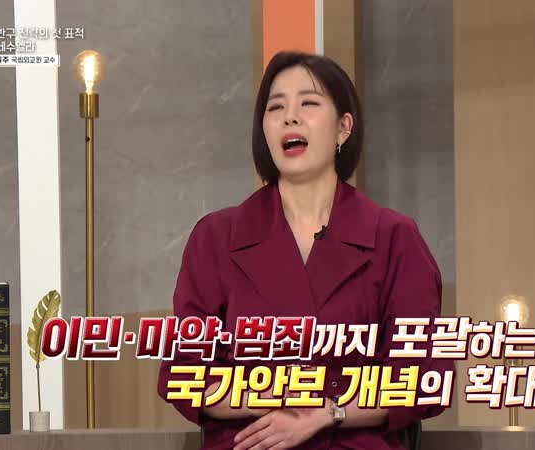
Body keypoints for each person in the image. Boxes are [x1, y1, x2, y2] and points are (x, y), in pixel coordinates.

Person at [157, 50, 451, 449]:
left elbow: (423, 377)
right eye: (276, 107)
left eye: (308, 103)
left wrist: (327, 412)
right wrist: (275, 398)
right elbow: (184, 374)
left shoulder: (394, 238)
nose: (290, 117)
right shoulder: (216, 237)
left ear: (344, 127)